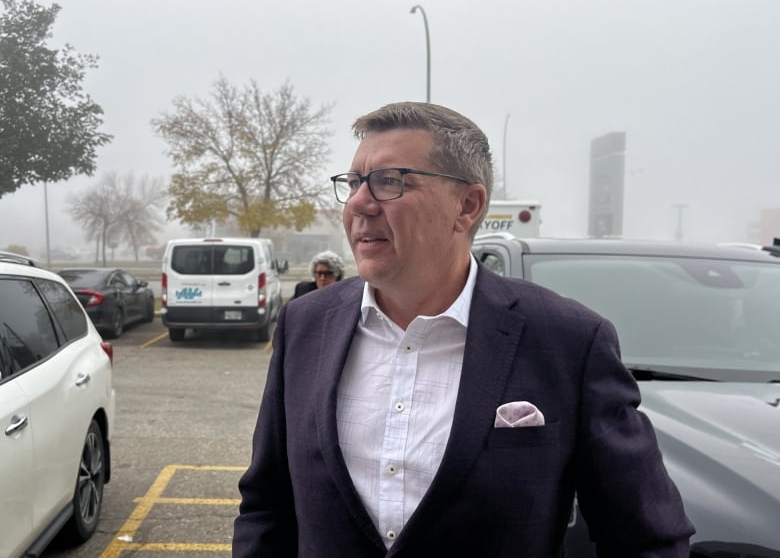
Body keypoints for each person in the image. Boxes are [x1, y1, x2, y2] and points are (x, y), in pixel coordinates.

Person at [233, 102, 694, 557]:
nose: (359, 203)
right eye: (353, 183)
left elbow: (647, 537)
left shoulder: (567, 341)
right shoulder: (306, 324)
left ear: (467, 206)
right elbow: (267, 506)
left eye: (389, 182)